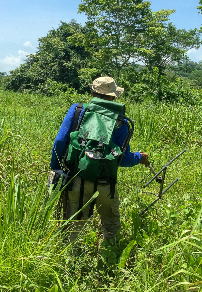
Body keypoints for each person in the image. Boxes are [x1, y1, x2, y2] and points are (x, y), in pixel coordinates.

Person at [50, 76, 148, 244]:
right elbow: (123, 160)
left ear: (93, 92)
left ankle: (70, 264)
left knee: (73, 227)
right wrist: (140, 158)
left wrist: (57, 170)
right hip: (106, 185)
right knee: (111, 226)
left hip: (76, 179)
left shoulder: (78, 110)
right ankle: (109, 261)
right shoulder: (121, 121)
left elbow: (59, 142)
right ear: (114, 96)